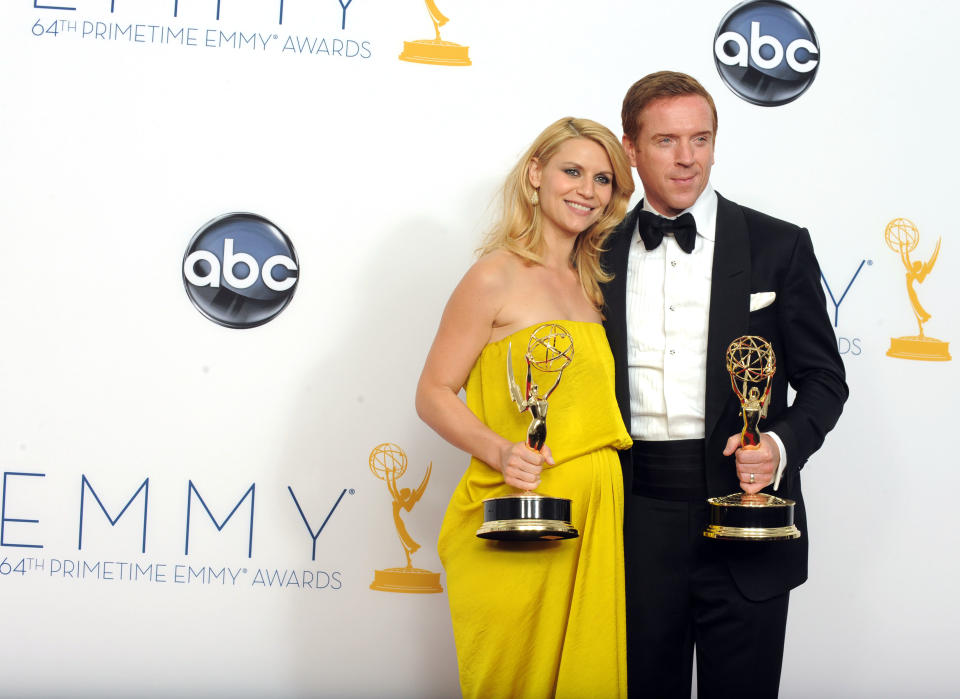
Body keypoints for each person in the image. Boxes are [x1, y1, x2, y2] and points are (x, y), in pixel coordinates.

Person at [600, 72, 848, 698]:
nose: (687, 159)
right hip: (631, 519)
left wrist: (781, 447)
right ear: (630, 147)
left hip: (745, 518)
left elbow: (823, 379)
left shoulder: (778, 245)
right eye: (666, 141)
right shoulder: (593, 252)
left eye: (701, 139)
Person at [416, 117, 635, 698]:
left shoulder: (595, 286)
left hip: (593, 512)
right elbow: (433, 391)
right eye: (572, 171)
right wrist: (501, 451)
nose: (587, 190)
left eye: (604, 179)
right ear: (535, 174)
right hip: (514, 516)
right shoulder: (493, 276)